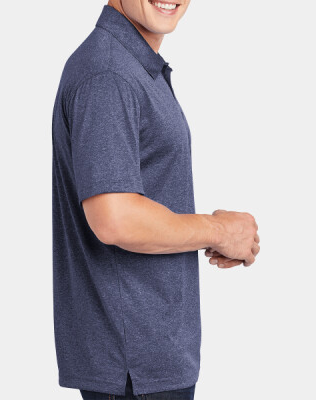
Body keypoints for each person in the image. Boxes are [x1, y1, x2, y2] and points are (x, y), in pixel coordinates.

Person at [51, 1, 260, 399]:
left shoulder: (128, 66)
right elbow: (115, 219)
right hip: (135, 365)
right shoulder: (109, 74)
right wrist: (218, 230)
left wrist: (217, 233)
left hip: (145, 358)